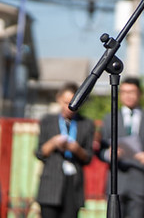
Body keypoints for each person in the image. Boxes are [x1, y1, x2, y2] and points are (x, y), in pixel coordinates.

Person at [99, 76, 144, 218]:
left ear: (139, 93)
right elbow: (99, 149)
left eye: (132, 92)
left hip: (139, 181)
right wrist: (108, 154)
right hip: (117, 182)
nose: (128, 95)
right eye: (124, 92)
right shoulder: (109, 118)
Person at [35, 82, 96, 218]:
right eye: (66, 102)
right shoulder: (48, 121)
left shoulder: (86, 124)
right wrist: (53, 143)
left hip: (73, 183)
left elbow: (88, 157)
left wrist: (76, 149)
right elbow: (40, 152)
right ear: (59, 99)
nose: (69, 107)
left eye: (73, 102)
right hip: (51, 183)